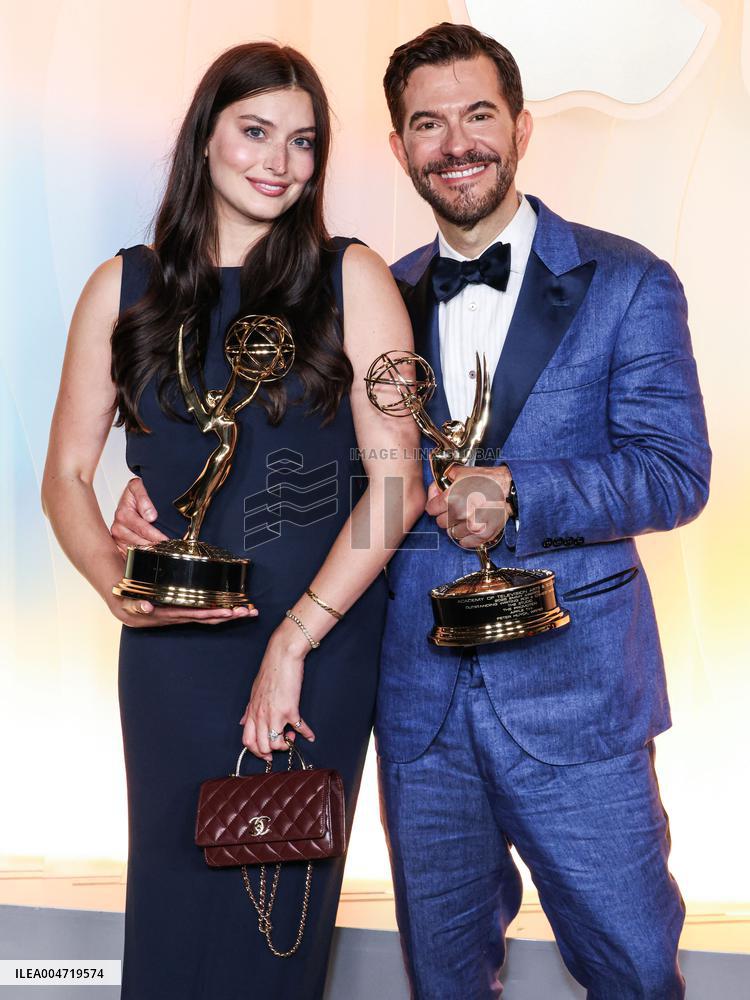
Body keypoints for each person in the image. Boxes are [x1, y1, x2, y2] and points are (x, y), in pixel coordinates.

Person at [42, 42, 423, 1000]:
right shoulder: (122, 287)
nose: (279, 162)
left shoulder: (353, 279)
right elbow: (68, 475)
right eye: (255, 132)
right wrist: (117, 588)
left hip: (317, 647)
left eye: (302, 142)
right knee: (170, 902)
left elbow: (398, 488)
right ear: (204, 139)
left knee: (276, 920)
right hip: (174, 652)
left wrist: (295, 642)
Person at [376, 23, 711, 999]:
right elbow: (352, 487)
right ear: (399, 150)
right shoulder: (375, 301)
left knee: (637, 975)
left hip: (580, 706)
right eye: (427, 124)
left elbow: (672, 472)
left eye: (478, 114)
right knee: (442, 986)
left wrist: (523, 491)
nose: (456, 143)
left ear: (520, 127)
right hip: (420, 715)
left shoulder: (630, 281)